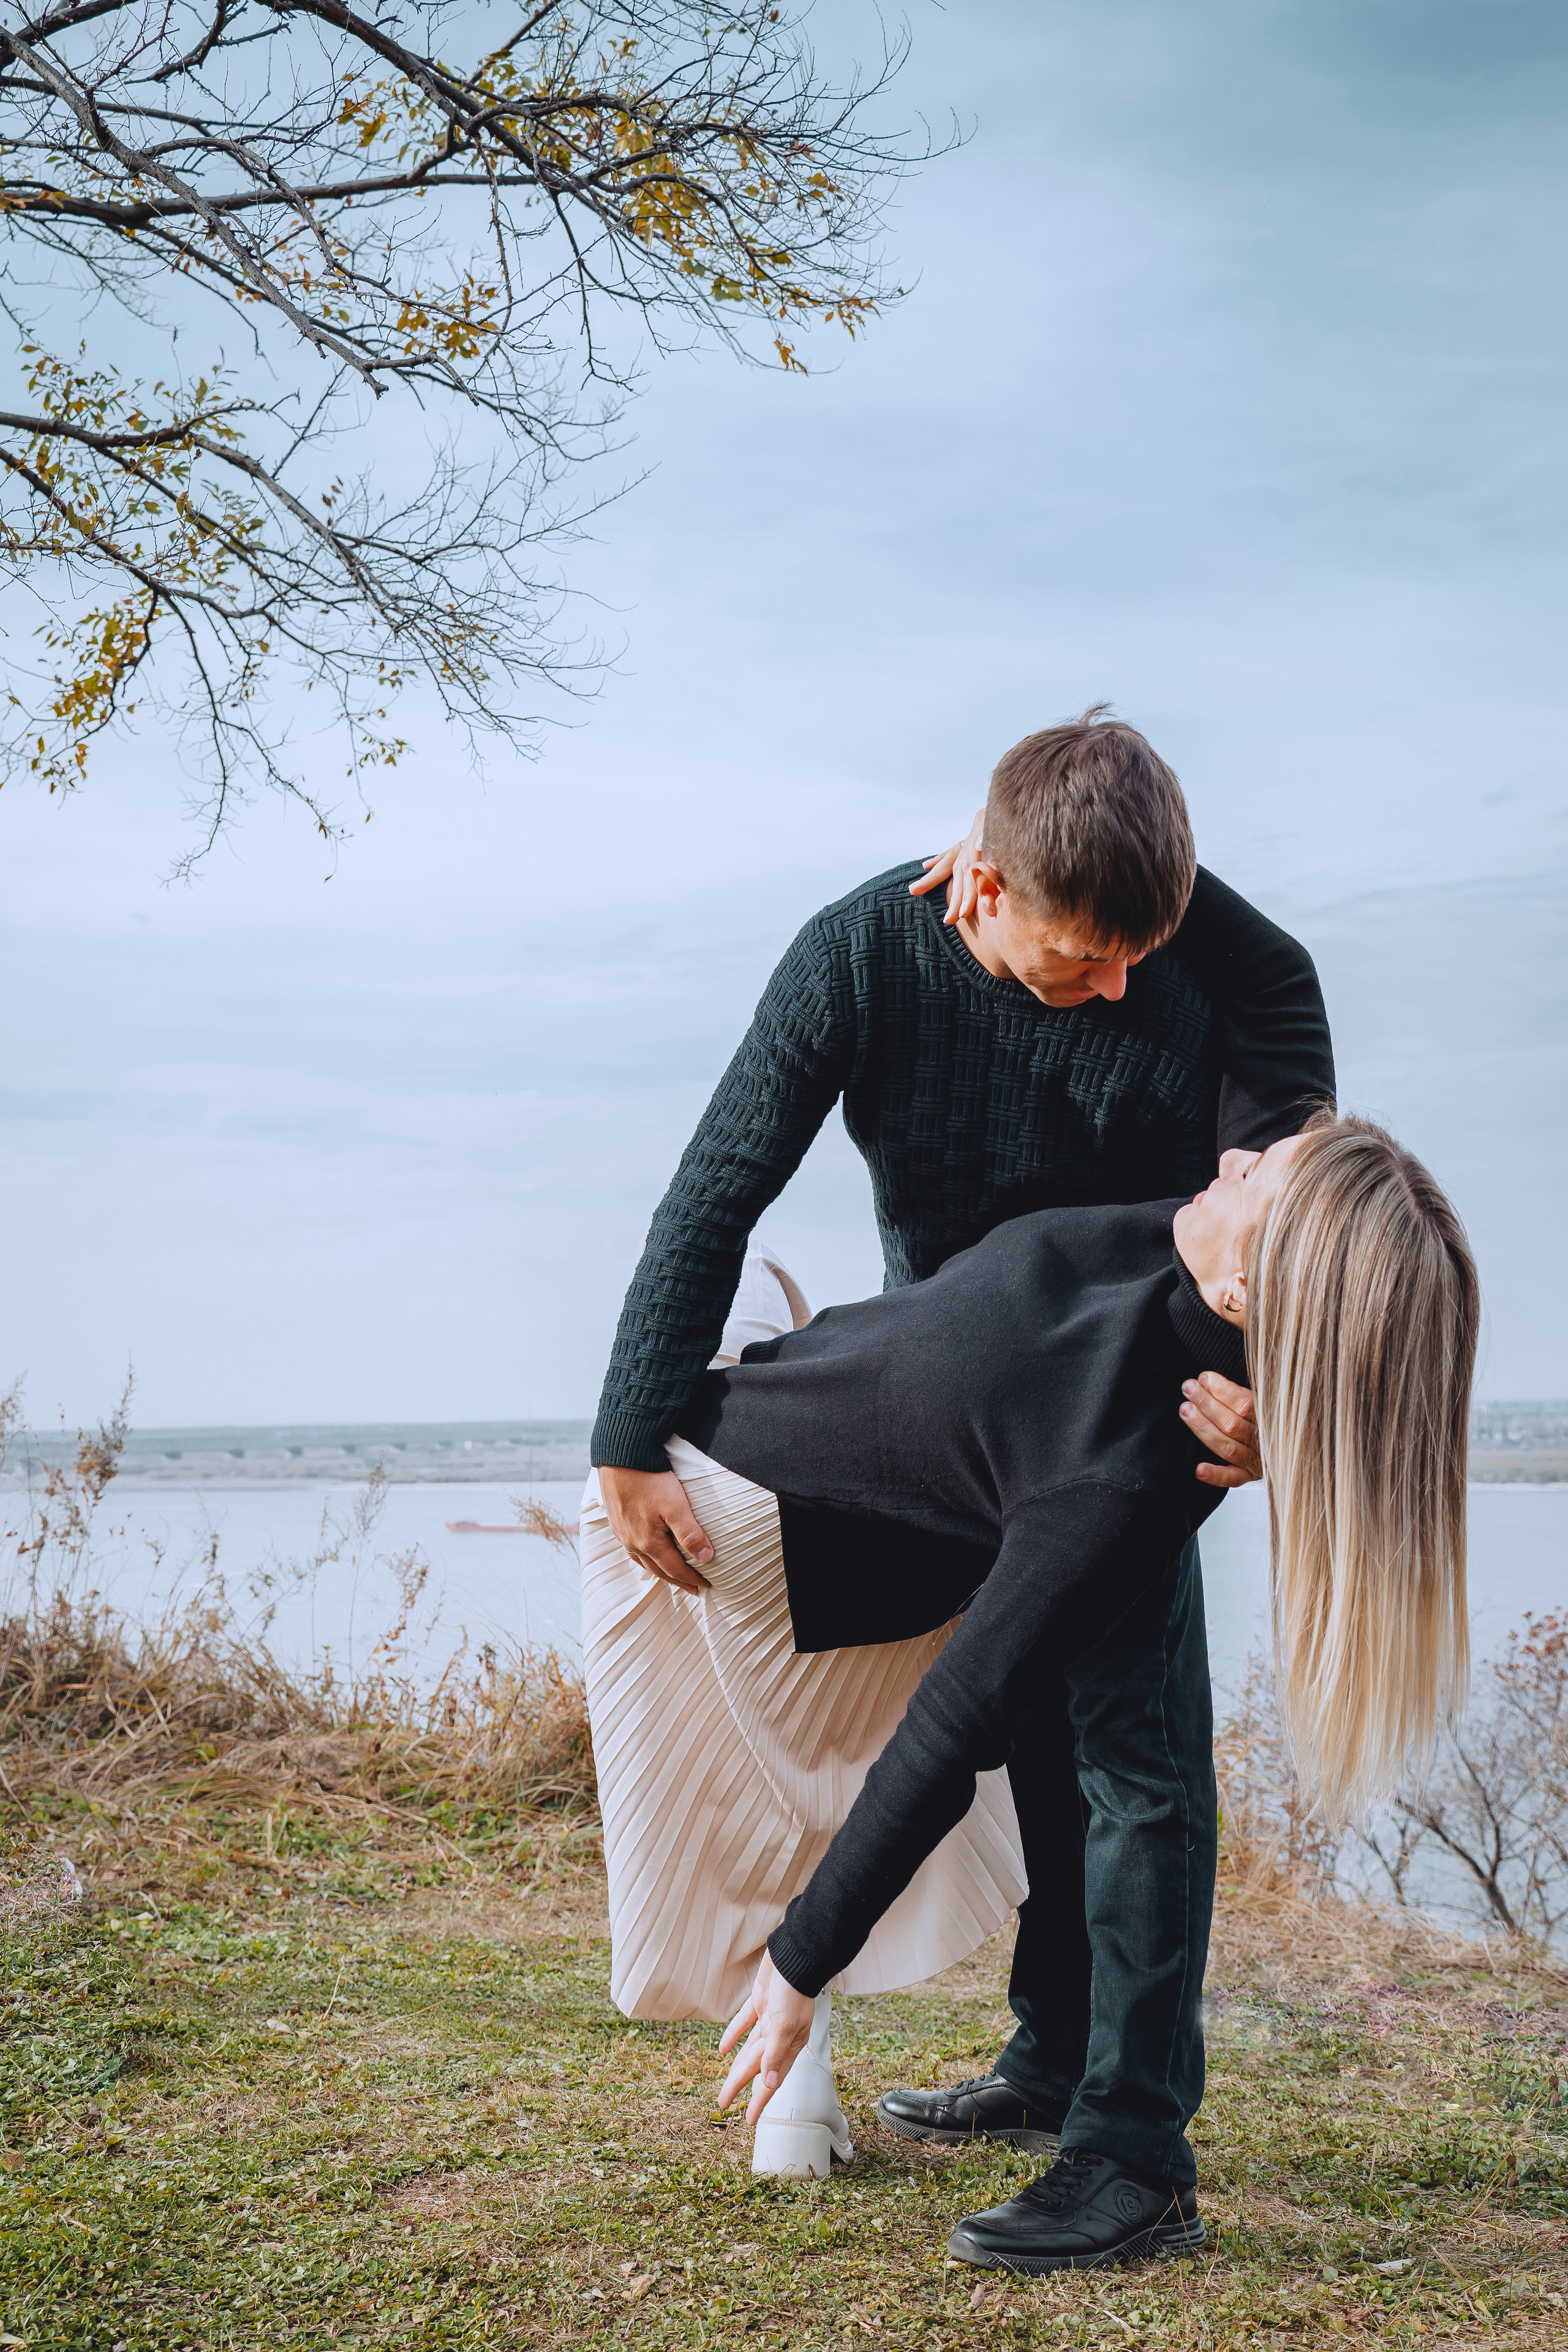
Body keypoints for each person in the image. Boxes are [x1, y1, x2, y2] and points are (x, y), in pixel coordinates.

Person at [587, 711, 1335, 2176]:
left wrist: (1274, 1379)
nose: (1120, 985)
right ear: (979, 884)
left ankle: (1127, 2140)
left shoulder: (1178, 944)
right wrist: (630, 1429)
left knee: (1135, 1755)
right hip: (955, 1383)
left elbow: (1290, 1147)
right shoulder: (861, 954)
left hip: (1138, 1398)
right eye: (1086, 958)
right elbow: (720, 1182)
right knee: (1020, 1728)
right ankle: (1047, 2059)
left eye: (1144, 950)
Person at [710, 1114, 1479, 2270]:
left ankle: (1135, 2167)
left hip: (752, 1525)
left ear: (1240, 1291)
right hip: (744, 1425)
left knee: (1138, 1773)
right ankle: (1057, 2066)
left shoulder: (1115, 1477)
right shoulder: (1166, 1257)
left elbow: (952, 1722)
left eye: (1257, 1171)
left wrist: (798, 1961)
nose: (1229, 1153)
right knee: (1071, 1753)